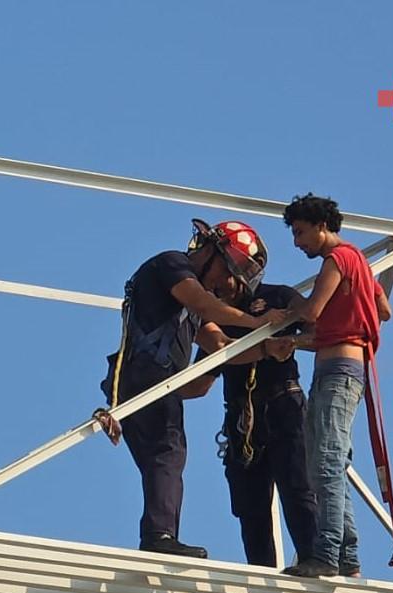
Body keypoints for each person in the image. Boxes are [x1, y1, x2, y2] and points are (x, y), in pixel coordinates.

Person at [101, 219, 288, 559]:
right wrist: (256, 321)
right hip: (145, 375)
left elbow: (219, 345)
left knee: (166, 457)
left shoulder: (193, 300)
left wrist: (265, 349)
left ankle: (160, 533)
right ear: (211, 252)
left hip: (152, 381)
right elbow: (204, 305)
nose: (227, 286)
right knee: (167, 453)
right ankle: (159, 536)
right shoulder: (172, 265)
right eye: (228, 273)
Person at [278, 194, 392, 577]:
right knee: (328, 460)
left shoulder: (338, 259)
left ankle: (327, 555)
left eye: (301, 232)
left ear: (321, 226)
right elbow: (384, 311)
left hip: (338, 372)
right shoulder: (359, 260)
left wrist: (284, 312)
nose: (297, 242)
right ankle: (347, 556)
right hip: (343, 367)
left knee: (325, 462)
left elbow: (311, 311)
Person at [181, 281, 319, 569]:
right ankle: (262, 572)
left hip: (282, 403)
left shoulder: (276, 296)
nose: (221, 283)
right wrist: (157, 389)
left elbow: (316, 326)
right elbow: (200, 382)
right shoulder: (218, 316)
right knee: (250, 505)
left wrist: (293, 341)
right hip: (242, 419)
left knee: (297, 485)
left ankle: (312, 557)